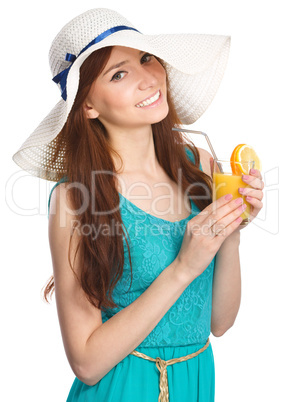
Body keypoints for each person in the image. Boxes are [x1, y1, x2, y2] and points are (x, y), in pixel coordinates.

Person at [12, 8, 264, 402]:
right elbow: (86, 363)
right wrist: (184, 267)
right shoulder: (75, 199)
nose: (149, 79)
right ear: (88, 106)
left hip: (196, 386)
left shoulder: (201, 166)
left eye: (147, 58)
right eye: (119, 73)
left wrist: (230, 230)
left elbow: (220, 322)